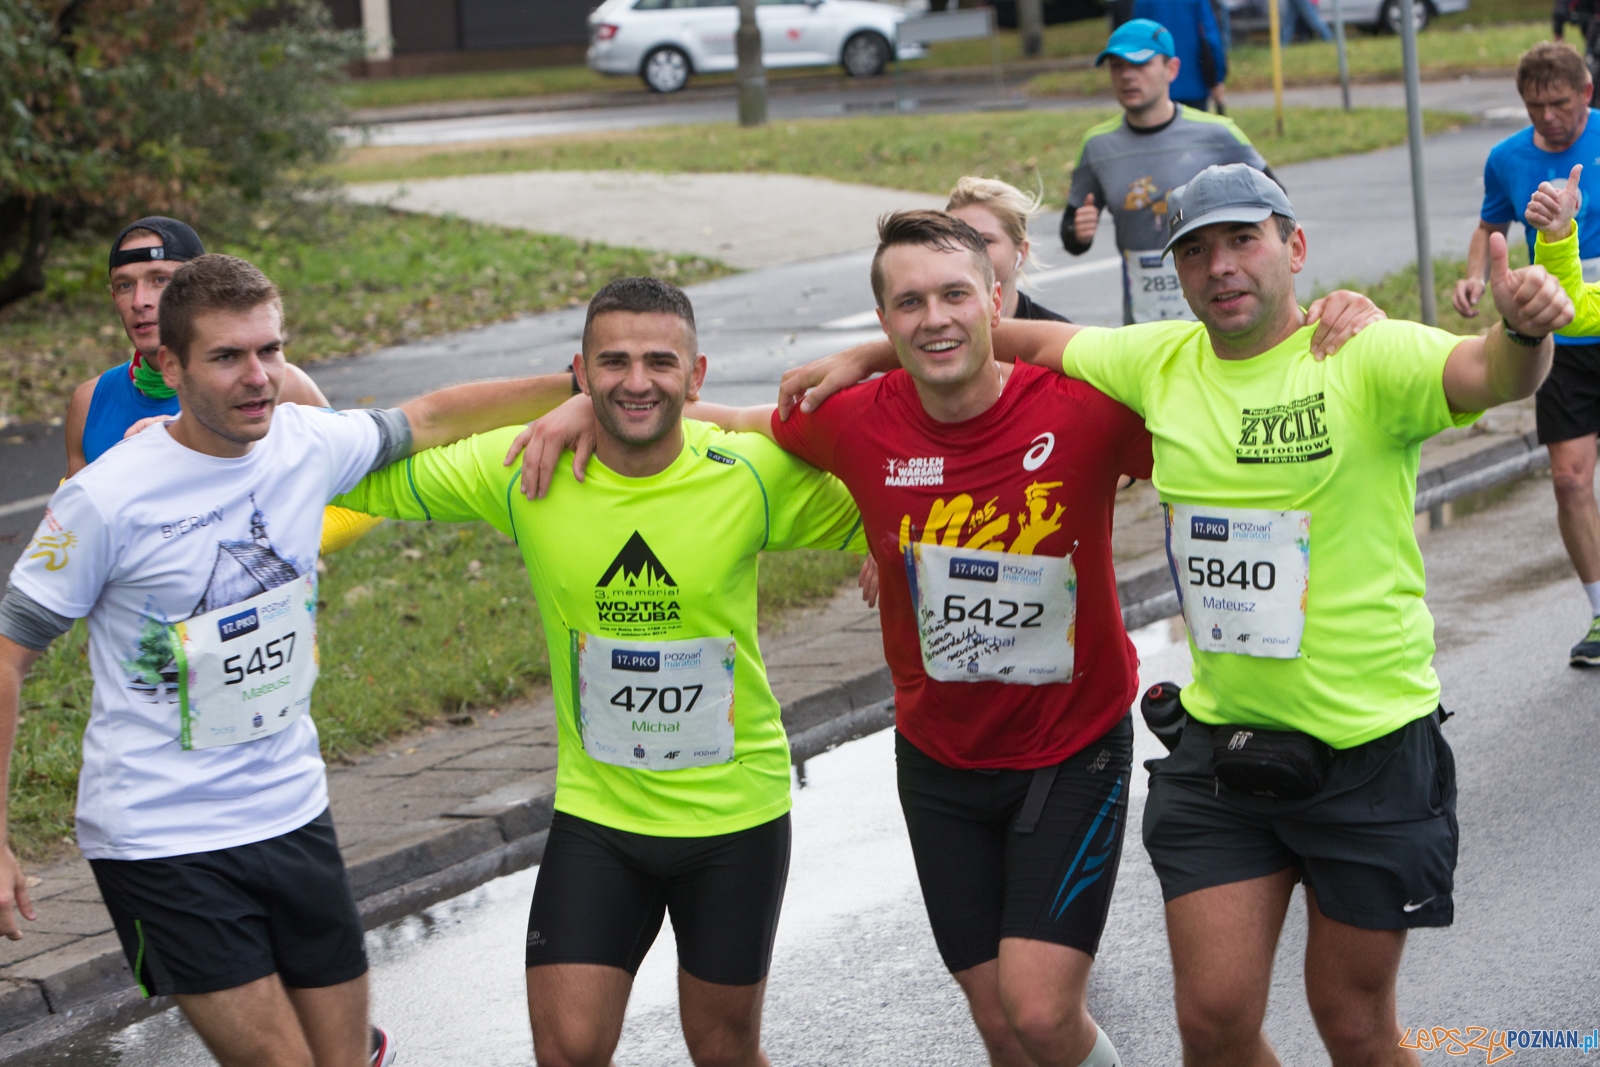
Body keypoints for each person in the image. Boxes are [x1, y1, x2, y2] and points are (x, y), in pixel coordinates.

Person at [514, 218, 1384, 1067]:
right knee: (1004, 1029)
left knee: (1041, 1011)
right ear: (885, 321)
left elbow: (1232, 406)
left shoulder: (1088, 409)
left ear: (996, 300)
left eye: (956, 295)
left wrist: (1328, 323)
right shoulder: (857, 420)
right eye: (908, 303)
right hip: (940, 760)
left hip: (1069, 747)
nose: (934, 317)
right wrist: (586, 409)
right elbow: (723, 420)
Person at [781, 164, 1571, 1066]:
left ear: (1294, 248)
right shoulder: (1152, 361)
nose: (1222, 266)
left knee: (1353, 1024)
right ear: (1179, 272)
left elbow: (1493, 374)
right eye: (1197, 251)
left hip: (1371, 747)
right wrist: (871, 354)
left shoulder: (1366, 352)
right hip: (1225, 748)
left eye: (1244, 241)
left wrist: (1520, 325)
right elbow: (986, 334)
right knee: (1212, 1024)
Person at [0, 253, 582, 1067]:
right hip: (159, 834)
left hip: (290, 809)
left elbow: (433, 416)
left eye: (270, 351)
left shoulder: (304, 442)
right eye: (228, 356)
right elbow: (8, 652)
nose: (259, 377)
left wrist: (579, 388)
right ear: (169, 365)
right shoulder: (107, 496)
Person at [333, 277, 865, 1067]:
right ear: (579, 371)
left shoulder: (751, 473)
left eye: (660, 361)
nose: (637, 380)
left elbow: (911, 477)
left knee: (722, 1048)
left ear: (698, 375)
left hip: (734, 819)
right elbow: (359, 465)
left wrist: (892, 538)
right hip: (600, 818)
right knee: (568, 1049)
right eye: (612, 362)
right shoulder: (525, 467)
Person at [66, 217, 382, 554]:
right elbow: (72, 533)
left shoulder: (272, 385)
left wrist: (277, 545)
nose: (140, 300)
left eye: (160, 280)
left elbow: (365, 492)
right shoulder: (90, 401)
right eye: (125, 285)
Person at [1454, 42, 1600, 666]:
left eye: (1560, 103)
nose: (1547, 117)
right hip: (1559, 335)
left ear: (1586, 94)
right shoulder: (1506, 158)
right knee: (1569, 478)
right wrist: (1474, 277)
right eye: (1535, 106)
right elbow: (1492, 226)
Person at [1062, 19, 1272, 326]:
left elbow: (1277, 210)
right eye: (1117, 66)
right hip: (1144, 319)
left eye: (1140, 65)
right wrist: (1077, 233)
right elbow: (1071, 233)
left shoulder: (1218, 134)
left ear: (1171, 69)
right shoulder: (1098, 146)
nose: (1127, 76)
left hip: (1220, 305)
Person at [948, 176, 1070, 322]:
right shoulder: (928, 324)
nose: (966, 253)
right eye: (956, 240)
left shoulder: (1055, 334)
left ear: (1021, 252)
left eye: (984, 241)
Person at [1131, 0, 1229, 111]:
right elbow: (1211, 38)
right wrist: (1217, 78)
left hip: (1158, 86)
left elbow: (1137, 38)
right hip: (1194, 85)